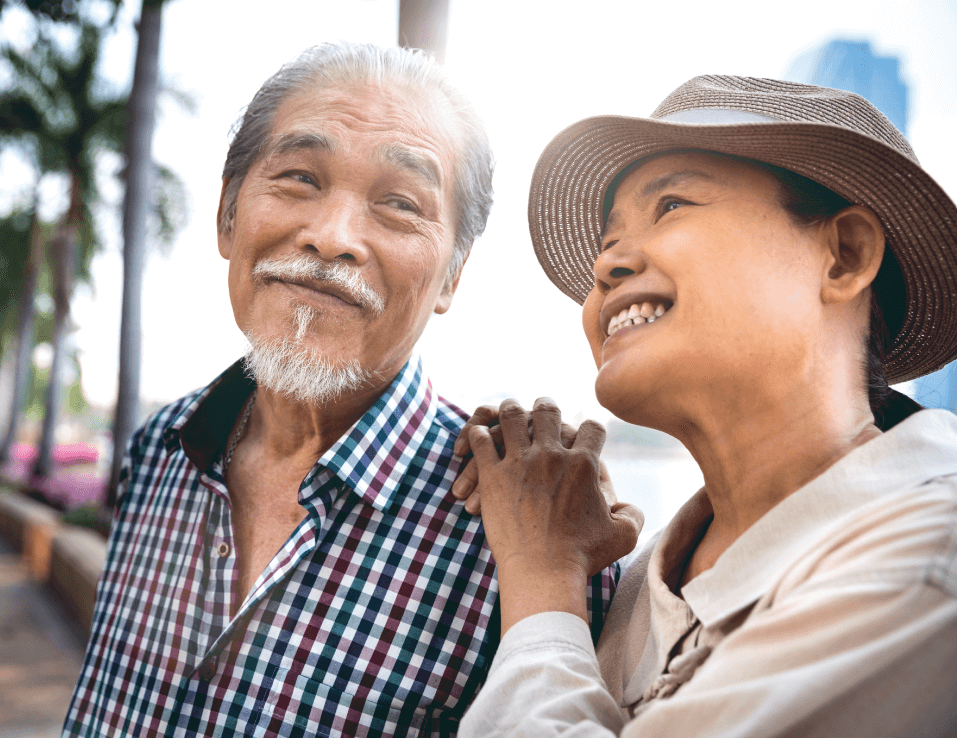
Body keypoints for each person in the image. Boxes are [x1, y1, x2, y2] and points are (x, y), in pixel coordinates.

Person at [62, 42, 617, 738]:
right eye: (298, 177)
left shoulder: (526, 538)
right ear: (226, 218)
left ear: (452, 276)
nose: (331, 238)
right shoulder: (158, 451)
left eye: (398, 203)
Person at [455, 75, 957, 737]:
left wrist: (543, 578)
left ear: (844, 256)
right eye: (607, 244)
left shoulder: (928, 559)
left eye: (670, 205)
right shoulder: (638, 582)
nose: (606, 268)